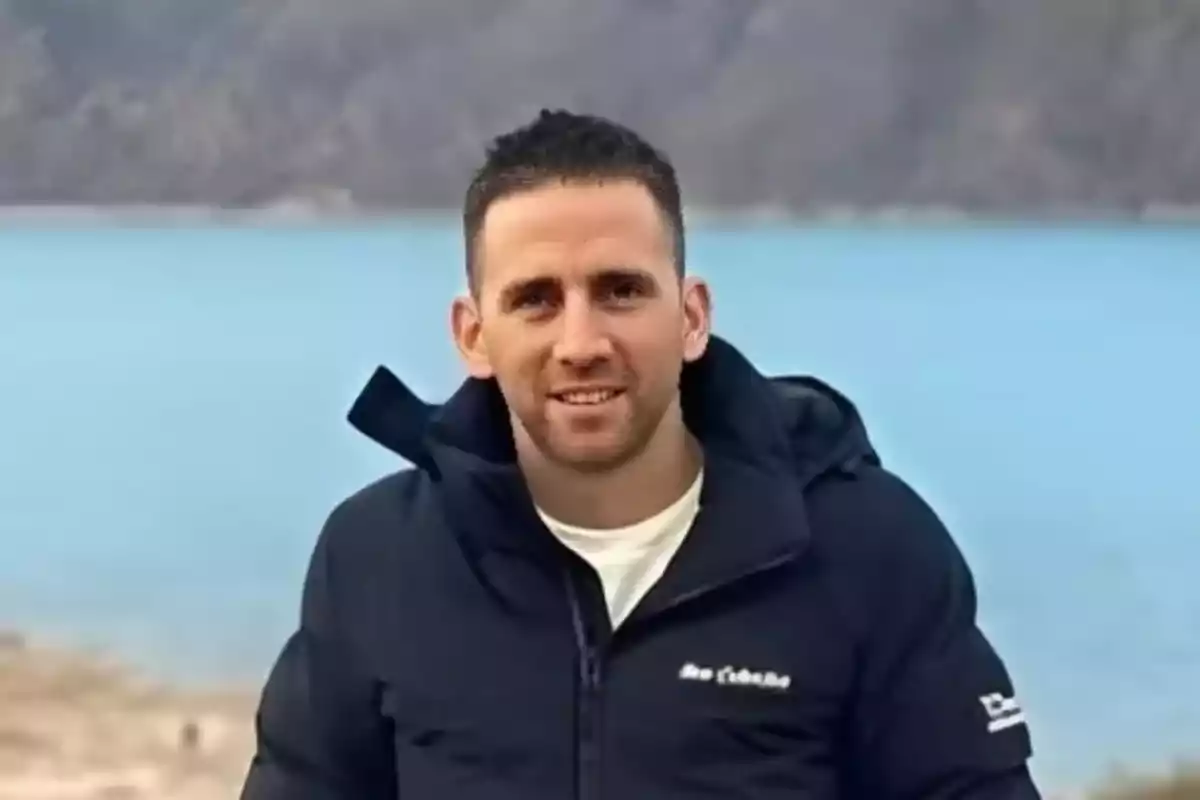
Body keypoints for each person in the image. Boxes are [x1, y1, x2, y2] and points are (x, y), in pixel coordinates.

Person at [239, 109, 1042, 800]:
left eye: (621, 291)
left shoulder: (867, 547)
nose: (581, 343)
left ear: (692, 316)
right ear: (473, 335)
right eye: (536, 300)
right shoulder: (378, 558)